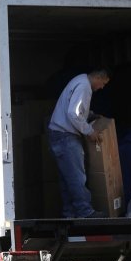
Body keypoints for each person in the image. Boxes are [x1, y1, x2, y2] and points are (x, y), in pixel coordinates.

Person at [48, 69, 111, 218]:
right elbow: (74, 113)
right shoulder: (84, 86)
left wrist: (90, 115)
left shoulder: (79, 79)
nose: (101, 87)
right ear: (98, 77)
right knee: (76, 177)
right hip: (66, 137)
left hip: (57, 135)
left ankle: (69, 215)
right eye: (103, 83)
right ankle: (85, 212)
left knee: (67, 179)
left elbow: (75, 109)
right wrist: (89, 131)